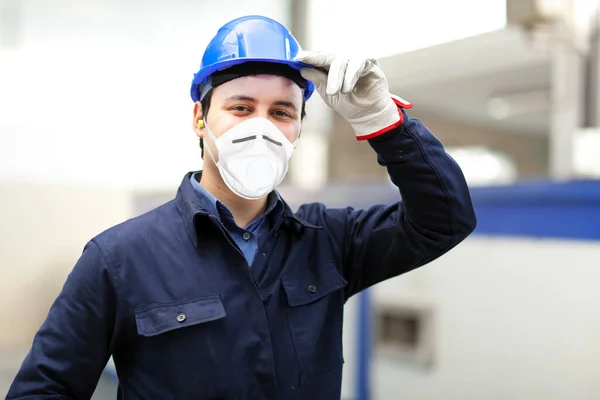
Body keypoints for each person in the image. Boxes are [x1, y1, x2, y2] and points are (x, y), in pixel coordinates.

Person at [7, 15, 476, 400]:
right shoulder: (120, 258)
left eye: (281, 112)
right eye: (241, 107)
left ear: (296, 130)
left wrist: (385, 124)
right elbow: (45, 390)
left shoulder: (328, 241)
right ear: (199, 118)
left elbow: (445, 220)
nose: (261, 127)